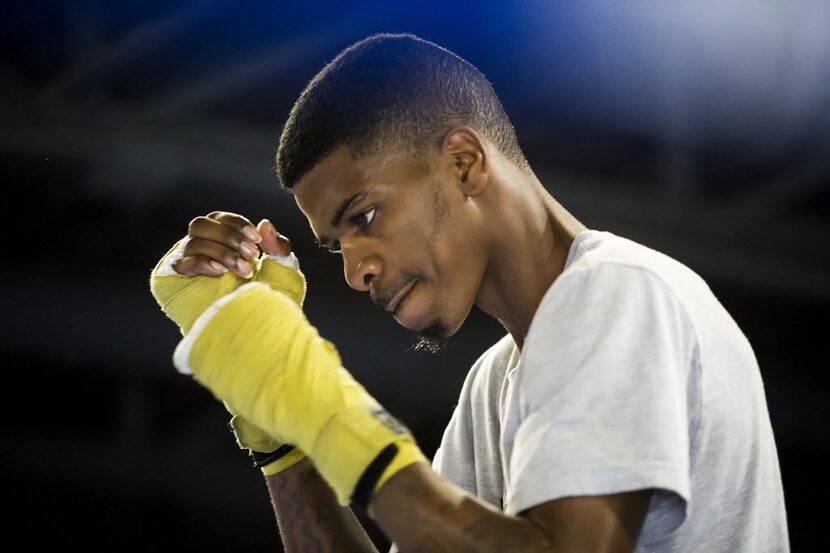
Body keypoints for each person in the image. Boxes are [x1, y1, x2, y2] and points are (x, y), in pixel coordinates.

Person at [149, 33, 789, 552]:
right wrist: (279, 429)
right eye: (337, 247)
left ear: (463, 163)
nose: (355, 272)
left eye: (364, 218)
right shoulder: (495, 386)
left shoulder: (617, 293)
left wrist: (330, 415)